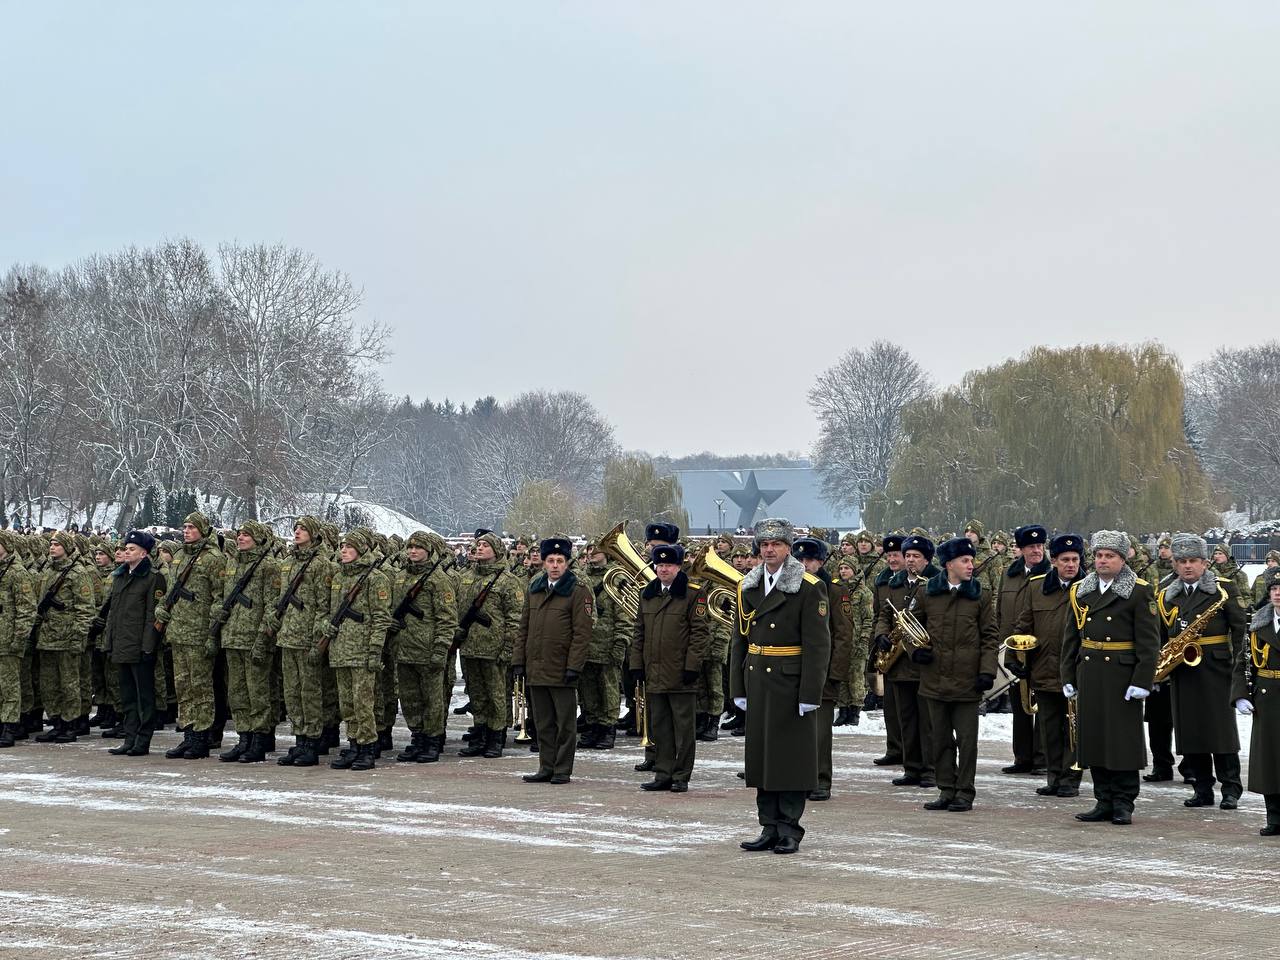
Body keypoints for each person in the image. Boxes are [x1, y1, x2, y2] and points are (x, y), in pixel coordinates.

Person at [730, 518, 831, 855]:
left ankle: (790, 829)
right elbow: (739, 642)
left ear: (789, 548)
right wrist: (738, 687)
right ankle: (768, 825)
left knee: (789, 759)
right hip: (758, 679)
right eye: (764, 544)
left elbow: (818, 646)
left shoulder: (807, 586)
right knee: (762, 758)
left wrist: (810, 693)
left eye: (776, 544)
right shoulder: (749, 586)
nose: (769, 550)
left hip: (789, 681)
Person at [1061, 530, 1160, 825]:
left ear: (1122, 558)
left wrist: (1142, 680)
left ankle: (1124, 802)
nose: (1103, 561)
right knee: (1094, 739)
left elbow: (1149, 641)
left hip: (1122, 675)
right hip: (1091, 671)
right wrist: (1067, 674)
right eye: (1099, 555)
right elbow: (1071, 637)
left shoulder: (1139, 591)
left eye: (1110, 556)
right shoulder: (1082, 590)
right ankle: (1103, 799)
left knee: (1122, 741)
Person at [1156, 533, 1247, 810]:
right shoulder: (1166, 593)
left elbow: (1240, 628)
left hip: (1216, 666)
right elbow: (1160, 633)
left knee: (1220, 730)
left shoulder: (1223, 588)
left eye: (1193, 560)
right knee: (1190, 729)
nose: (1187, 566)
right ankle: (1202, 787)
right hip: (1182, 668)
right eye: (1181, 561)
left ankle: (1230, 788)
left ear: (1205, 562)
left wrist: (1237, 667)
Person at [910, 537, 998, 812]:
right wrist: (916, 652)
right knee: (940, 739)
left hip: (967, 681)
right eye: (965, 561)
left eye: (971, 561)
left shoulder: (980, 596)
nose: (971, 566)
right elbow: (910, 629)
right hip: (934, 679)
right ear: (949, 564)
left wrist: (986, 671)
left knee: (967, 741)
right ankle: (946, 789)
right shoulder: (927, 594)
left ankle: (965, 792)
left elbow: (990, 636)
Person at [631, 543, 709, 792]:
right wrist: (636, 664)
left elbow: (700, 634)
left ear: (678, 566)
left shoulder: (692, 593)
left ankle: (681, 775)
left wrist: (692, 667)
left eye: (668, 565)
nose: (663, 569)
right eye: (660, 565)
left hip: (680, 673)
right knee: (660, 726)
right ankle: (663, 772)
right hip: (654, 672)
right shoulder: (648, 594)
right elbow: (639, 632)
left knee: (683, 729)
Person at [514, 537, 593, 785]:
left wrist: (574, 666)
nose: (555, 565)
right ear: (544, 563)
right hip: (537, 667)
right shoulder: (535, 587)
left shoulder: (578, 591)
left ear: (568, 563)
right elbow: (523, 627)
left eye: (560, 561)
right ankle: (545, 766)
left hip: (562, 668)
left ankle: (562, 769)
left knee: (565, 724)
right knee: (543, 722)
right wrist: (519, 660)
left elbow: (582, 633)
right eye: (551, 561)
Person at [1012, 534, 1086, 797]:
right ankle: (1054, 776)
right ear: (1053, 560)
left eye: (1075, 559)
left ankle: (1070, 778)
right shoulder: (1036, 587)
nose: (1070, 564)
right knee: (1049, 728)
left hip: (1076, 670)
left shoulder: (1088, 588)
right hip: (1043, 667)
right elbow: (1024, 623)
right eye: (1065, 559)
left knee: (1073, 729)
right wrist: (1014, 654)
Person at [155, 513, 227, 760]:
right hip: (178, 631)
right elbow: (172, 590)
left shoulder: (214, 559)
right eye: (184, 527)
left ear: (203, 530)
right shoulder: (179, 556)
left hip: (199, 632)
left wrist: (212, 634)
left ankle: (202, 736)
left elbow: (220, 598)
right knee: (183, 686)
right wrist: (163, 608)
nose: (186, 531)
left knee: (201, 687)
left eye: (191, 527)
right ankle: (188, 734)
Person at [791, 536, 858, 801]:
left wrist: (835, 674)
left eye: (810, 560)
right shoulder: (789, 588)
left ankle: (820, 780)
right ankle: (796, 776)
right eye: (799, 560)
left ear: (820, 562)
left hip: (822, 673)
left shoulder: (835, 591)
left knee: (819, 733)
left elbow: (843, 635)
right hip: (793, 670)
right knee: (794, 730)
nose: (804, 565)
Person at [322, 530, 393, 771]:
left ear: (361, 550)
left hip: (362, 651)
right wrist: (326, 626)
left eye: (349, 547)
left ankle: (367, 747)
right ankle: (353, 744)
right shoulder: (339, 576)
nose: (343, 550)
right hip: (340, 649)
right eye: (342, 546)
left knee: (363, 703)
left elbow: (381, 619)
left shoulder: (375, 578)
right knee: (346, 704)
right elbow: (329, 611)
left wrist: (375, 650)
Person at [213, 520, 282, 764]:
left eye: (246, 535)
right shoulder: (232, 562)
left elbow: (273, 607)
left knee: (258, 693)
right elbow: (221, 596)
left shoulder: (268, 566)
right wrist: (217, 612)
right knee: (237, 693)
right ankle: (244, 738)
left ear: (258, 539)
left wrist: (263, 638)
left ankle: (260, 740)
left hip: (254, 638)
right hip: (232, 637)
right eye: (240, 534)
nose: (240, 538)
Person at [873, 534, 938, 787]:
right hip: (899, 665)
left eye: (915, 557)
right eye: (907, 556)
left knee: (927, 720)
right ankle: (911, 768)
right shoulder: (895, 583)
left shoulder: (934, 583)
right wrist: (881, 635)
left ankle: (930, 769)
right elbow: (885, 613)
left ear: (926, 560)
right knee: (906, 719)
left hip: (922, 662)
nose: (910, 561)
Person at [390, 531, 458, 763]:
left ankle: (432, 739)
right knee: (409, 699)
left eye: (418, 547)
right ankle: (417, 737)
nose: (413, 551)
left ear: (428, 551)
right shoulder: (400, 577)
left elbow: (447, 618)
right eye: (410, 547)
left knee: (432, 699)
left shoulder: (438, 580)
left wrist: (440, 649)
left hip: (427, 649)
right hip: (403, 648)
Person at [455, 532, 524, 758]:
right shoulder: (467, 577)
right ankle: (480, 734)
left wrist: (507, 649)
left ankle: (496, 736)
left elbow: (514, 619)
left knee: (496, 696)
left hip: (494, 649)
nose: (480, 548)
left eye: (485, 545)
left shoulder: (507, 581)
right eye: (478, 545)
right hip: (470, 647)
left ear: (496, 550)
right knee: (477, 695)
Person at [102, 530, 167, 756]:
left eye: (132, 549)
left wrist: (148, 646)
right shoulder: (119, 576)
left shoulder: (153, 578)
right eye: (125, 548)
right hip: (121, 644)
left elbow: (153, 616)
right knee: (127, 696)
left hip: (140, 646)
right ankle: (129, 738)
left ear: (144, 553)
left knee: (144, 697)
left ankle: (143, 739)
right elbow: (113, 613)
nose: (126, 552)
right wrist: (108, 641)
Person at [32, 531, 95, 743]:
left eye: (57, 544)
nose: (52, 547)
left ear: (67, 548)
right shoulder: (49, 571)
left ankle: (70, 724)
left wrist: (78, 637)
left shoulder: (78, 573)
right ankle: (56, 721)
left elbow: (85, 609)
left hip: (67, 638)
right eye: (51, 543)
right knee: (49, 684)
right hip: (47, 637)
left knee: (69, 683)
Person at [999, 524, 1050, 775]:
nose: (1036, 551)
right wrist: (1003, 649)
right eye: (1031, 547)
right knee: (1019, 706)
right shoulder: (1008, 575)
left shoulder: (1051, 574)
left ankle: (1042, 758)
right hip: (1013, 649)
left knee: (1041, 706)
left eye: (1040, 546)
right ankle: (1022, 757)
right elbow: (1000, 612)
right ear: (1020, 549)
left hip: (1042, 649)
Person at [1233, 567, 1280, 835]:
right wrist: (1240, 694)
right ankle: (1274, 816)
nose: (1278, 593)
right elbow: (1242, 662)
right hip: (1266, 695)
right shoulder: (1257, 625)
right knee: (1269, 760)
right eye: (1274, 589)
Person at [578, 545, 629, 750]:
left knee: (608, 690)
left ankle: (608, 728)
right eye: (589, 551)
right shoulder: (581, 578)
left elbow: (624, 612)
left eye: (596, 551)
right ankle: (592, 726)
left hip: (607, 644)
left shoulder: (617, 578)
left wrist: (621, 641)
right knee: (588, 690)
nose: (591, 555)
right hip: (586, 644)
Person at [0, 531, 35, 748]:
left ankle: (10, 725)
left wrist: (18, 638)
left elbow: (27, 609)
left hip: (8, 639)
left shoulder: (17, 572)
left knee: (10, 685)